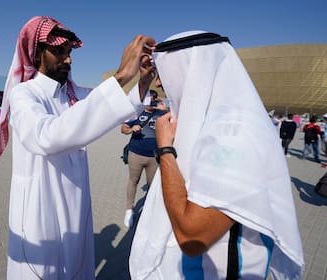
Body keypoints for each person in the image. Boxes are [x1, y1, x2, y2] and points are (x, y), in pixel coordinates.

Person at [0, 16, 155, 279]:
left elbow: (114, 110)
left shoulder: (73, 95)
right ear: (37, 52)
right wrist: (121, 76)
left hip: (76, 205)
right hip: (39, 205)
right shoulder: (24, 94)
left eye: (69, 52)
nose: (68, 59)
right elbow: (45, 136)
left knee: (76, 267)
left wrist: (143, 82)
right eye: (59, 51)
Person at [129, 31, 304, 279]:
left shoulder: (235, 135)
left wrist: (165, 150)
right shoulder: (210, 124)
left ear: (192, 70)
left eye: (163, 72)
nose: (159, 83)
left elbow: (193, 237)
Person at [121, 89, 167, 228]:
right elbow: (123, 129)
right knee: (133, 181)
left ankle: (148, 212)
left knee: (152, 186)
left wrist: (164, 110)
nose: (151, 101)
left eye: (153, 98)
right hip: (136, 153)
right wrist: (131, 129)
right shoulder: (136, 112)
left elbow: (176, 124)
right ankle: (129, 210)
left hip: (154, 156)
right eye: (148, 98)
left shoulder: (163, 114)